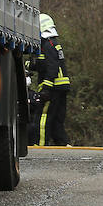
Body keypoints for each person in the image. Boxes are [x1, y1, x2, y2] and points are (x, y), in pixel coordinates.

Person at [32, 14, 71, 146]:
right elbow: (45, 63)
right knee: (57, 119)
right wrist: (32, 65)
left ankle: (41, 145)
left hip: (53, 87)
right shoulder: (53, 43)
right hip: (61, 87)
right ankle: (62, 144)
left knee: (44, 117)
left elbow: (52, 67)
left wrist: (46, 88)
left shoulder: (47, 44)